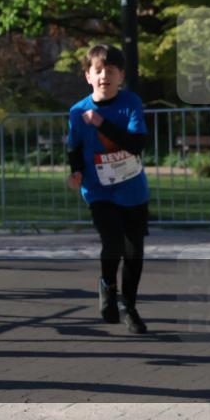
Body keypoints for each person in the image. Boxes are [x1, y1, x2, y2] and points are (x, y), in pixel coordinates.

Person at [67, 44, 150, 335]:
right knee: (112, 242)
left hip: (133, 189)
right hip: (98, 189)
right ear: (88, 76)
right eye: (98, 71)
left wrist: (102, 124)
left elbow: (137, 144)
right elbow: (74, 147)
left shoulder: (130, 103)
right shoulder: (78, 111)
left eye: (110, 71)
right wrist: (75, 171)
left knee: (134, 251)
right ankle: (107, 286)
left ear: (121, 76)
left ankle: (129, 305)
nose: (104, 76)